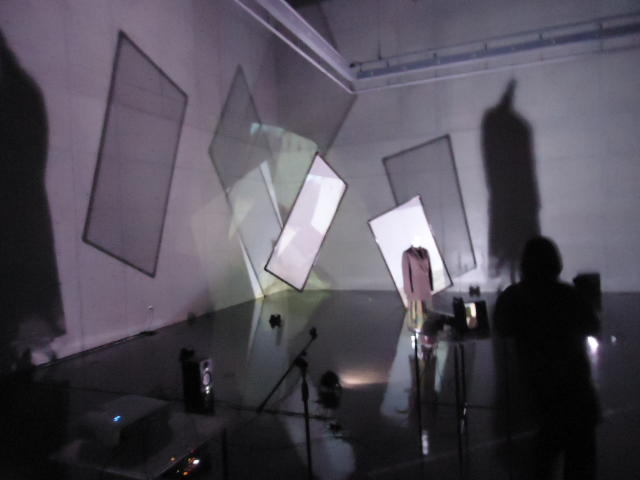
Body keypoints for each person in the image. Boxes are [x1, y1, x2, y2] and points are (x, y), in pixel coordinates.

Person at [494, 236, 600, 480]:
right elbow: (592, 326)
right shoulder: (569, 296)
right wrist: (587, 298)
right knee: (580, 467)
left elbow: (502, 328)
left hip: (541, 398)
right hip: (577, 397)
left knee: (540, 464)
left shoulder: (514, 297)